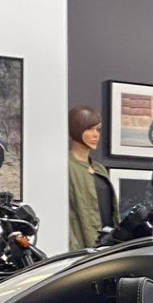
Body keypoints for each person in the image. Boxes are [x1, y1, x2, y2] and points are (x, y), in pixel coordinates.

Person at [67, 105, 114, 249]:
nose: (95, 135)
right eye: (89, 129)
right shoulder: (66, 167)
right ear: (76, 129)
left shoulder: (99, 169)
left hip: (106, 247)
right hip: (81, 249)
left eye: (98, 130)